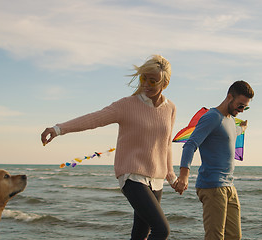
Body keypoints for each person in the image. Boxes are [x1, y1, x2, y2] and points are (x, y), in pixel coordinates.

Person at [41, 55, 177, 240]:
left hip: (156, 179)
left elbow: (167, 142)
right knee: (162, 230)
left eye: (152, 81)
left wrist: (171, 175)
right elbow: (93, 119)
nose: (146, 84)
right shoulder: (127, 105)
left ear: (165, 83)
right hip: (131, 175)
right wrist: (58, 129)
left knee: (140, 234)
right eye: (143, 78)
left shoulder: (170, 109)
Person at [174, 80, 254, 240]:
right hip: (213, 186)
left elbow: (231, 132)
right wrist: (184, 175)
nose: (242, 110)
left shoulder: (230, 120)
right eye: (240, 105)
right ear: (229, 97)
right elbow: (191, 145)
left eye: (245, 107)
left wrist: (243, 128)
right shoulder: (211, 117)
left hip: (229, 186)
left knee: (234, 236)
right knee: (215, 237)